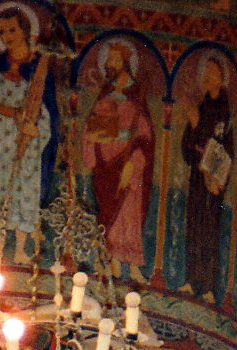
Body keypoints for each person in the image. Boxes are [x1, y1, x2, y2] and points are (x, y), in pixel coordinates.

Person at [0, 6, 59, 264]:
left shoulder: (39, 70)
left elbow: (48, 110)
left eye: (12, 30)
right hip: (2, 143)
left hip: (30, 145)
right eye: (2, 32)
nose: (7, 36)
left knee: (25, 193)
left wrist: (36, 130)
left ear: (25, 30)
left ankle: (20, 251)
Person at [81, 40, 155, 285]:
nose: (109, 64)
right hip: (106, 168)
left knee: (130, 215)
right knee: (109, 215)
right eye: (108, 60)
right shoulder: (105, 94)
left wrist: (134, 163)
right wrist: (93, 138)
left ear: (124, 63)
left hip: (129, 168)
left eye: (113, 60)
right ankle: (112, 261)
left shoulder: (137, 96)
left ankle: (132, 266)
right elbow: (92, 129)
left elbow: (145, 138)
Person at [179, 56, 233, 302]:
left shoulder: (225, 112)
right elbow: (188, 144)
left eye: (214, 73)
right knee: (194, 225)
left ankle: (209, 287)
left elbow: (226, 148)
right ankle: (192, 281)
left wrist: (216, 176)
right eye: (207, 73)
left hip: (213, 182)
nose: (209, 77)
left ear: (221, 79)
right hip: (197, 178)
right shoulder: (200, 108)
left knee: (210, 229)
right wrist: (195, 126)